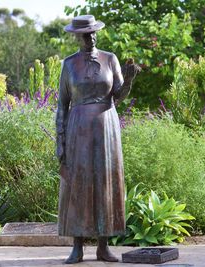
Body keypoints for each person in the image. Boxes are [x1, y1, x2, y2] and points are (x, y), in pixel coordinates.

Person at [56, 15, 140, 264]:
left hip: (106, 127)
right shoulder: (69, 64)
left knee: (105, 181)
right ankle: (77, 247)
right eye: (86, 34)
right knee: (78, 182)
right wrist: (60, 142)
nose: (91, 37)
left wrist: (130, 78)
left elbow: (118, 95)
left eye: (94, 33)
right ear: (77, 36)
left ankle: (103, 246)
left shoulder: (109, 59)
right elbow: (62, 105)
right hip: (78, 127)